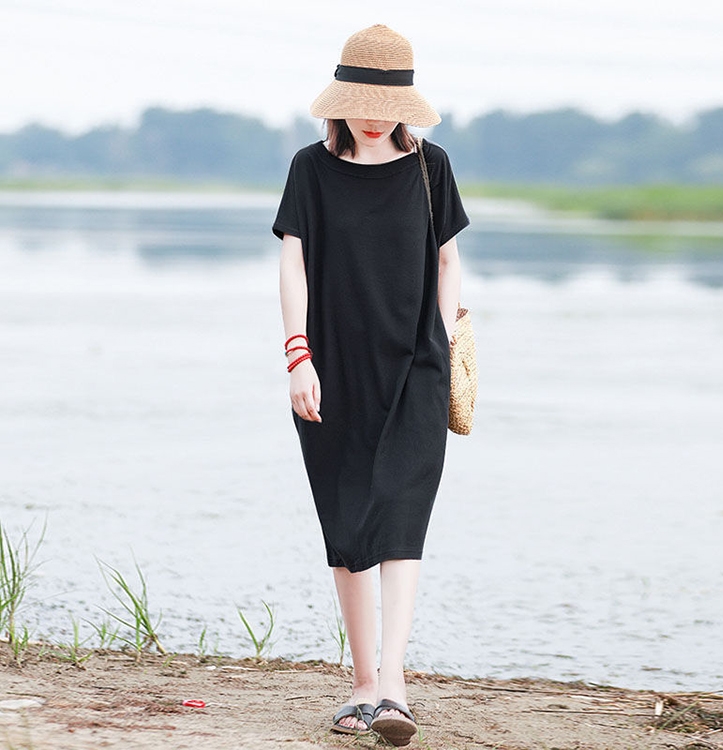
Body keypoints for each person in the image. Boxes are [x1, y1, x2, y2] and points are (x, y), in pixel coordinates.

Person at [273, 24, 469, 747]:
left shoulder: (431, 167)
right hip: (331, 369)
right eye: (361, 103)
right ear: (340, 100)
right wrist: (298, 356)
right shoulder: (310, 168)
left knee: (402, 521)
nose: (373, 118)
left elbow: (448, 262)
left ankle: (393, 688)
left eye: (387, 106)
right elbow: (293, 264)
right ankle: (360, 686)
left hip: (416, 368)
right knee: (348, 523)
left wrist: (438, 343)